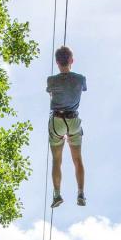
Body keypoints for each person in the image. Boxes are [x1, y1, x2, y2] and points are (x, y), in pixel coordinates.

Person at [47, 46, 87, 208]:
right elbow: (81, 89)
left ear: (57, 62)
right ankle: (81, 194)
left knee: (57, 160)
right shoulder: (80, 79)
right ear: (72, 60)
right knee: (77, 159)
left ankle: (57, 195)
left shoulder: (51, 80)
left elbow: (51, 93)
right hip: (73, 121)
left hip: (57, 120)